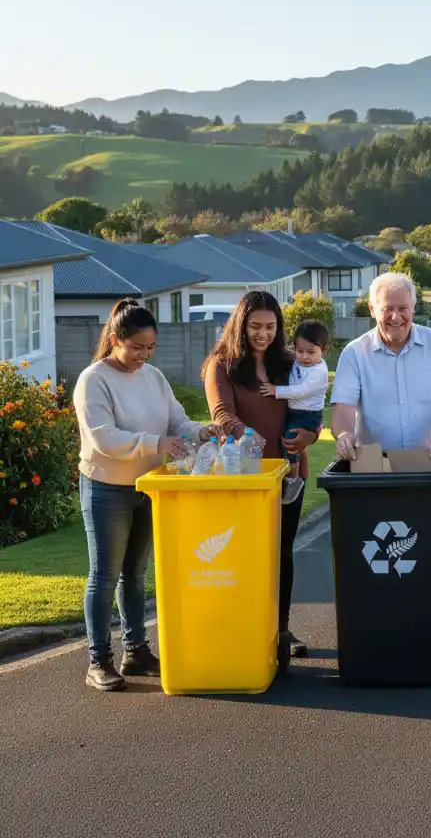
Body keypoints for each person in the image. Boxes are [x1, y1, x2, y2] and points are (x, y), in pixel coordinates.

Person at [74, 299, 218, 692]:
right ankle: (98, 660)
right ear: (116, 339)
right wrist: (155, 442)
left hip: (149, 487)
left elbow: (176, 420)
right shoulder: (94, 379)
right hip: (107, 487)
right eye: (137, 347)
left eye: (150, 348)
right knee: (104, 575)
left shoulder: (153, 376)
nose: (144, 355)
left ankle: (135, 651)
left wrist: (199, 431)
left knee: (134, 574)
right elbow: (102, 438)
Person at [204, 291, 321, 661]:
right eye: (255, 326)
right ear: (240, 325)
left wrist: (312, 436)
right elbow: (222, 413)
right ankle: (245, 625)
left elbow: (311, 406)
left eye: (270, 327)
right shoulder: (221, 365)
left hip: (288, 473)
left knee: (281, 552)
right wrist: (246, 433)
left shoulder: (289, 363)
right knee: (243, 554)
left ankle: (280, 628)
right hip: (244, 477)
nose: (263, 334)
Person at [330, 272, 431, 461]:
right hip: (375, 466)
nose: (396, 317)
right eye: (387, 309)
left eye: (403, 308)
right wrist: (344, 435)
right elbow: (343, 412)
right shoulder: (354, 353)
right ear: (372, 309)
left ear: (413, 308)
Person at [260, 319, 331, 504]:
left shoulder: (319, 372)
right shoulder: (298, 361)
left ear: (324, 351)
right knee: (286, 438)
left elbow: (302, 390)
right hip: (295, 411)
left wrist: (276, 390)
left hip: (308, 415)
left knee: (290, 440)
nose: (304, 357)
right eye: (300, 351)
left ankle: (293, 478)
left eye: (311, 352)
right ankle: (292, 474)